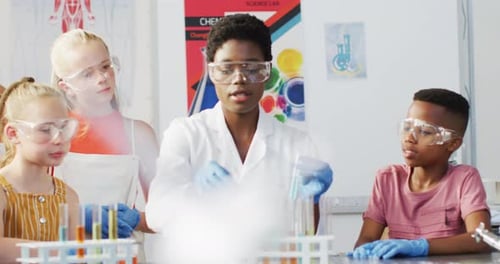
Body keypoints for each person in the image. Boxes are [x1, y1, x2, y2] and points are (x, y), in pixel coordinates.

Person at [145, 14, 333, 261]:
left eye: (252, 68)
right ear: (212, 73)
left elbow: (304, 237)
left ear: (267, 71)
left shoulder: (298, 145)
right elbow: (157, 214)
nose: (239, 79)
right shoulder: (186, 134)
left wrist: (310, 203)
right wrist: (194, 195)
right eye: (226, 68)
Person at [49, 29, 159, 261]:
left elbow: (166, 213)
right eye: (87, 74)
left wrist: (136, 218)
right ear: (65, 86)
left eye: (105, 66)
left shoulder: (138, 135)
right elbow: (26, 211)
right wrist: (73, 216)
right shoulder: (50, 136)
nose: (102, 78)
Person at [349, 88, 491, 259]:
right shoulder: (388, 178)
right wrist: (365, 251)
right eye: (407, 127)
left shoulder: (464, 179)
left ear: (452, 143)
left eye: (424, 132)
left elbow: (481, 240)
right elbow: (367, 238)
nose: (409, 138)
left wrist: (421, 246)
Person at [0, 77, 80, 262]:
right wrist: (62, 251)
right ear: (13, 133)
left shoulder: (69, 197)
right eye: (45, 130)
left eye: (64, 127)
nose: (59, 139)